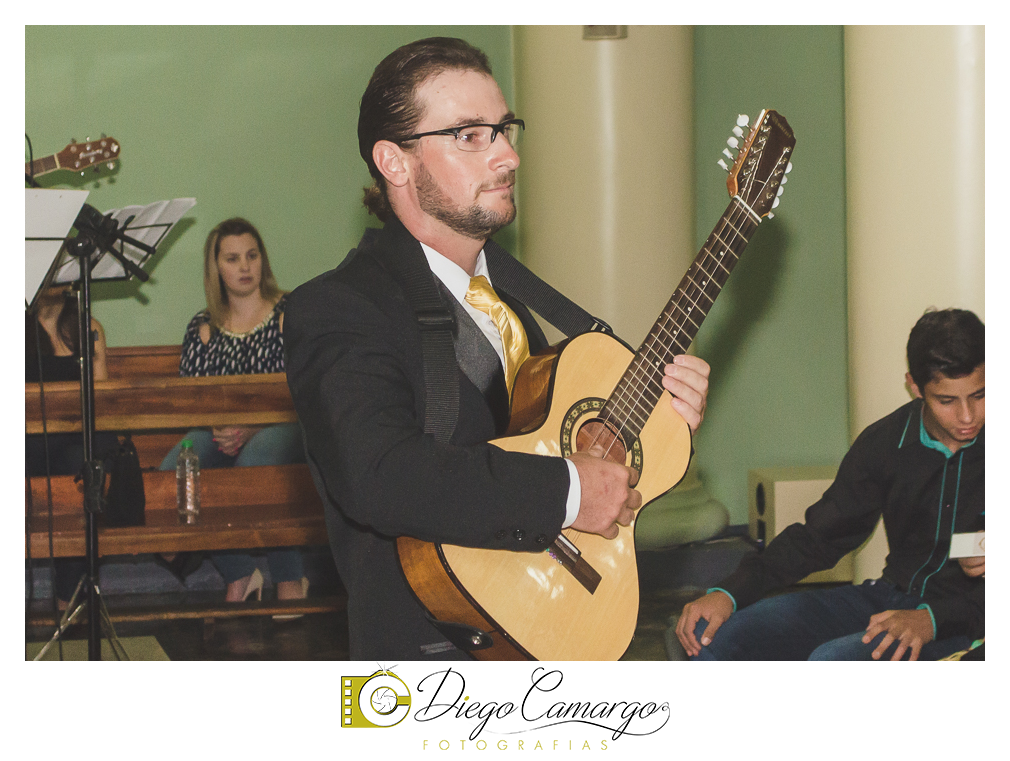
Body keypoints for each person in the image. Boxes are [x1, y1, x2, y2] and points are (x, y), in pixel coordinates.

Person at [283, 37, 711, 659]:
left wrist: (658, 423)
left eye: (504, 129)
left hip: (550, 628)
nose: (508, 155)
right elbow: (380, 476)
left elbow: (531, 447)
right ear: (394, 161)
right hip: (422, 661)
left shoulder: (512, 303)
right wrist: (568, 490)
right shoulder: (339, 306)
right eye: (469, 135)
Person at [676, 307, 984, 661]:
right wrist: (729, 592)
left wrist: (934, 620)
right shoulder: (884, 442)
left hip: (969, 622)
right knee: (714, 636)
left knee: (831, 661)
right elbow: (817, 538)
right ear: (914, 386)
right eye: (947, 400)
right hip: (888, 599)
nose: (967, 416)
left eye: (980, 395)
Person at [159, 217, 308, 611]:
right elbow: (191, 397)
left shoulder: (290, 312)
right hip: (217, 430)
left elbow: (305, 387)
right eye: (232, 258)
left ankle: (291, 576)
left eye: (251, 256)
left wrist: (251, 426)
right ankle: (240, 571)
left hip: (284, 425)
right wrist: (218, 427)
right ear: (216, 268)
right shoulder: (203, 326)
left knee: (255, 460)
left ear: (263, 260)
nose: (244, 267)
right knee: (176, 467)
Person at [26, 285, 117, 606]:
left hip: (76, 447)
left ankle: (69, 597)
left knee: (89, 456)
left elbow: (102, 401)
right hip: (29, 447)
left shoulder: (88, 329)